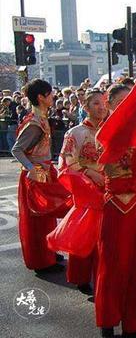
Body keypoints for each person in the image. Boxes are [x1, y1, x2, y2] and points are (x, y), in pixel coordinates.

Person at [94, 84, 136, 338]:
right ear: (110, 105)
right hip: (117, 205)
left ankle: (134, 323)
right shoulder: (105, 134)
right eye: (121, 101)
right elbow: (108, 169)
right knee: (113, 263)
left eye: (131, 101)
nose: (128, 105)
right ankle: (107, 320)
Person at [11, 79, 70, 273]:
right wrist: (31, 168)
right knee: (38, 219)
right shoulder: (35, 122)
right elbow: (17, 150)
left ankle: (49, 253)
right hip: (37, 173)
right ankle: (42, 260)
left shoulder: (40, 117)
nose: (53, 96)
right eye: (50, 94)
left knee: (48, 215)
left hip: (43, 170)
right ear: (41, 97)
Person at [57, 89, 108, 294]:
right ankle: (81, 276)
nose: (101, 107)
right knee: (84, 234)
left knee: (105, 236)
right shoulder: (75, 133)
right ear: (85, 107)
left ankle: (103, 275)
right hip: (85, 188)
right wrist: (90, 173)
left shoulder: (112, 129)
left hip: (109, 187)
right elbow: (67, 161)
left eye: (104, 102)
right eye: (96, 103)